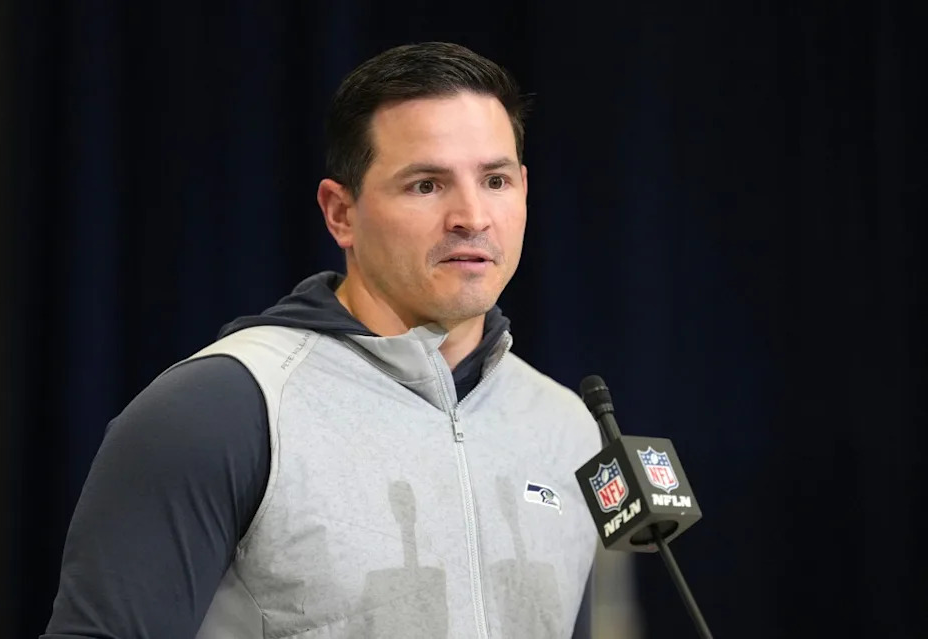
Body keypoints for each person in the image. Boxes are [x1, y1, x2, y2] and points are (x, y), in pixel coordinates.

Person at [43, 41, 624, 638]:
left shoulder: (568, 427)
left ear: (524, 190)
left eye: (496, 180)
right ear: (340, 212)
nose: (472, 216)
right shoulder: (219, 410)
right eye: (426, 185)